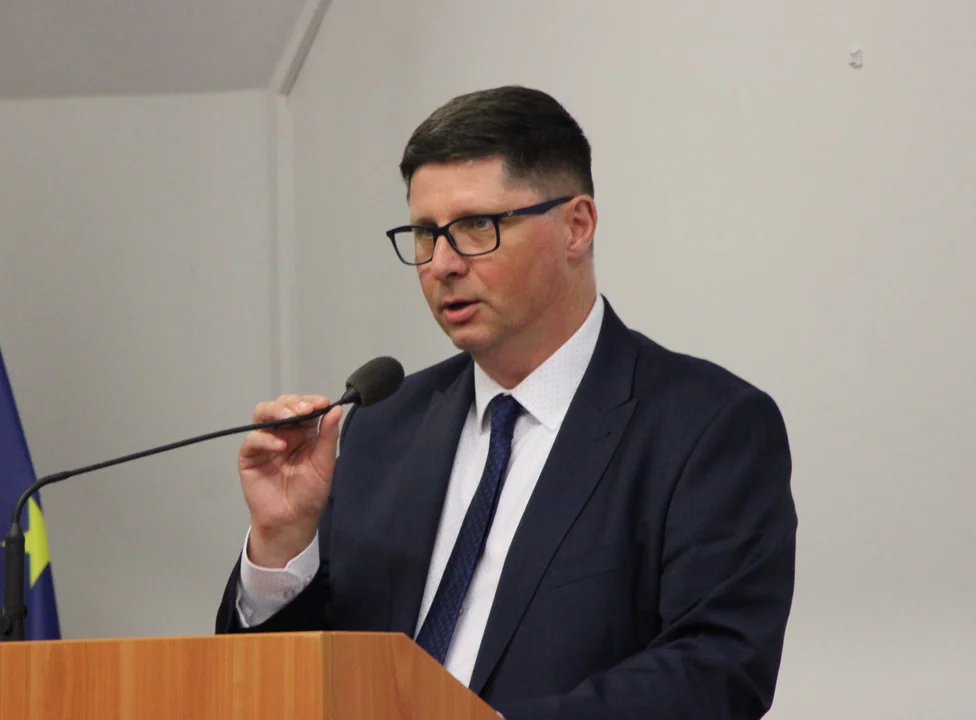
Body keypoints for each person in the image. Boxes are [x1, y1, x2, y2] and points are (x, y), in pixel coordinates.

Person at [216, 86, 797, 720]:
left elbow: (718, 667)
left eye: (476, 227)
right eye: (425, 234)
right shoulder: (382, 424)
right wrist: (281, 545)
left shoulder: (706, 427)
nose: (441, 264)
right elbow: (295, 683)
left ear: (576, 227)